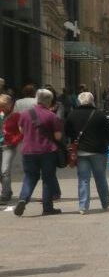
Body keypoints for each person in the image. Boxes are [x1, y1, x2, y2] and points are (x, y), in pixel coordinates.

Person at [13, 88, 65, 216]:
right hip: (47, 151)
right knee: (47, 178)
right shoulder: (51, 116)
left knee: (30, 176)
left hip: (28, 150)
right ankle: (47, 208)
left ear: (37, 99)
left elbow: (21, 130)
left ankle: (23, 199)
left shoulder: (25, 114)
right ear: (49, 101)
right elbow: (58, 136)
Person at [66, 91, 109, 213]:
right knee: (100, 178)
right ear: (92, 101)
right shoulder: (99, 114)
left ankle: (83, 206)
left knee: (83, 179)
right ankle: (105, 202)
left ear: (79, 101)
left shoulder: (72, 115)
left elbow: (67, 132)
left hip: (81, 151)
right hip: (99, 151)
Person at [0, 93, 18, 204]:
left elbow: (21, 131)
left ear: (9, 105)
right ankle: (8, 190)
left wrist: (14, 141)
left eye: (3, 105)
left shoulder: (15, 115)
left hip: (9, 146)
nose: (1, 108)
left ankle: (5, 194)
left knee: (5, 170)